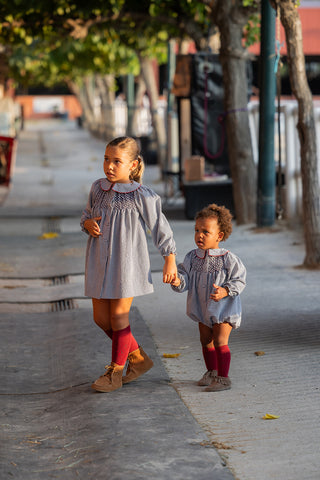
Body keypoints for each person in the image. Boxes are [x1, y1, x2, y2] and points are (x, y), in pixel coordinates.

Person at [81, 136, 177, 393]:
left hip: (127, 265)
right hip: (99, 264)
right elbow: (87, 216)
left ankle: (115, 371)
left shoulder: (142, 195)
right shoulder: (97, 188)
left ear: (133, 165)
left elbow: (160, 227)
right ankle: (138, 358)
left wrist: (170, 259)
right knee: (102, 320)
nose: (109, 166)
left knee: (118, 317)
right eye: (106, 159)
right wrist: (87, 224)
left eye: (117, 161)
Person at [170, 203, 246, 392]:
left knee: (220, 341)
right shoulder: (191, 258)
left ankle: (223, 378)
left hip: (223, 308)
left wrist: (225, 290)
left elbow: (240, 279)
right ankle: (211, 372)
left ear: (219, 236)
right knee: (206, 340)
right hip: (202, 307)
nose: (199, 235)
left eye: (205, 231)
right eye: (197, 230)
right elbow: (184, 279)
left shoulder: (228, 258)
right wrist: (177, 281)